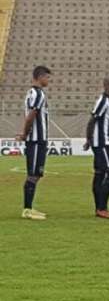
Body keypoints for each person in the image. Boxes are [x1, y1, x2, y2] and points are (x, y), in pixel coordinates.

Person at [15, 66, 51, 220]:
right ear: (40, 77)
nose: (49, 80)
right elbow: (31, 115)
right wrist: (24, 133)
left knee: (37, 174)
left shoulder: (35, 93)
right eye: (47, 77)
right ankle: (27, 209)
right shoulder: (37, 94)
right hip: (35, 140)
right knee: (32, 174)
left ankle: (29, 208)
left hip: (39, 140)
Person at [84, 76, 109, 219]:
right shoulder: (104, 101)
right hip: (102, 143)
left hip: (103, 141)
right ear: (107, 86)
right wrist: (89, 139)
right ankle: (102, 207)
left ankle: (99, 208)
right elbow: (92, 120)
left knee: (99, 173)